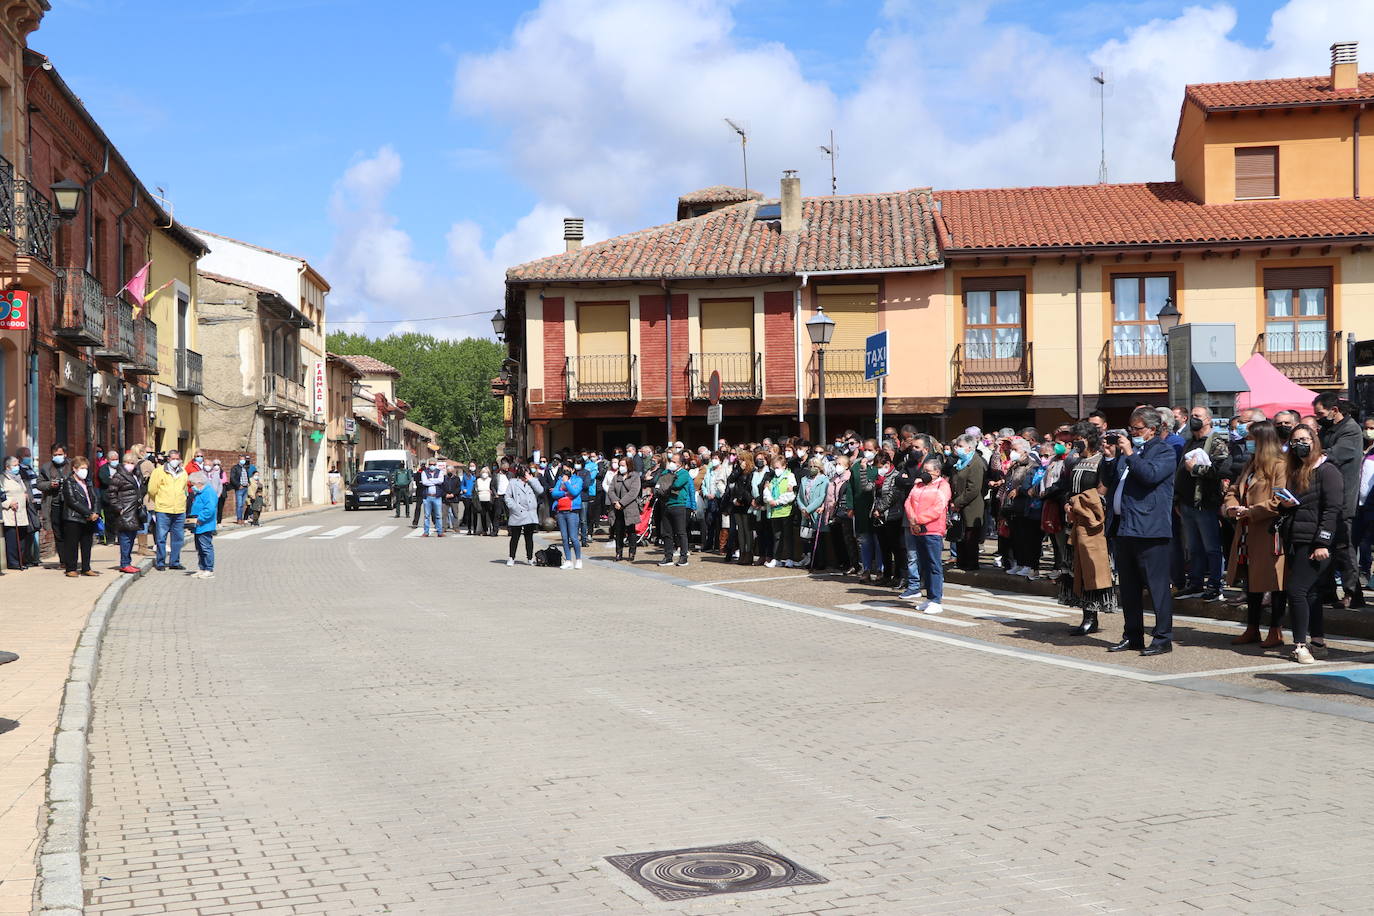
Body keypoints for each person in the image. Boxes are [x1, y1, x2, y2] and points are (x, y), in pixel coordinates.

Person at [1101, 406, 1177, 656]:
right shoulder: (1128, 453)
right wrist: (1111, 457)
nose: (1132, 432)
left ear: (1152, 429)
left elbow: (1149, 476)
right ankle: (1132, 635)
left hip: (1150, 529)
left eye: (1137, 429)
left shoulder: (1164, 450)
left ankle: (1162, 638)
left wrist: (1130, 453)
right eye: (1131, 428)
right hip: (1124, 528)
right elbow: (1109, 481)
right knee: (1129, 588)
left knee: (1157, 588)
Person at [1277, 423, 1343, 664]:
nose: (1300, 444)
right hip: (1296, 537)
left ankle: (1300, 645)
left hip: (1316, 541)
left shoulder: (1327, 470)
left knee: (1297, 590)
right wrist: (1284, 504)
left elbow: (1333, 508)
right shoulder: (1296, 471)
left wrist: (1322, 542)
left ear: (1315, 441)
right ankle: (1318, 640)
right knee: (1311, 592)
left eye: (1304, 439)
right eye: (1295, 441)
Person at [1223, 421, 1288, 648]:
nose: (1247, 443)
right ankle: (1252, 628)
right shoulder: (1251, 464)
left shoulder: (1280, 465)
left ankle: (1275, 630)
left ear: (1263, 441)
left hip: (1269, 531)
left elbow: (1280, 500)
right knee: (1251, 581)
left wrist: (1251, 511)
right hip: (1246, 530)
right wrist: (1232, 506)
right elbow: (1233, 489)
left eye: (1251, 439)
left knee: (1275, 582)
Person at [1175, 406, 1232, 601]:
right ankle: (1195, 583)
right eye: (1191, 416)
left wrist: (1196, 469)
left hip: (1205, 503)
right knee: (1193, 547)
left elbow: (1222, 470)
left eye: (1197, 416)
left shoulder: (1217, 442)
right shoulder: (1189, 441)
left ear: (1208, 420)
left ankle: (1215, 585)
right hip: (1187, 503)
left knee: (1211, 547)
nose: (1193, 419)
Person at [1313, 392, 1365, 608]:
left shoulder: (1351, 430)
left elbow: (1333, 454)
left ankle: (1353, 593)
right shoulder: (1328, 429)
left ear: (1334, 410)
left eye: (1321, 413)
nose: (1318, 417)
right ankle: (1326, 591)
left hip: (1343, 499)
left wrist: (1312, 453)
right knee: (1324, 545)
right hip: (1325, 497)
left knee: (1344, 548)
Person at [900, 456, 950, 612]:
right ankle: (929, 597)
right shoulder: (919, 484)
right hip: (917, 528)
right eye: (924, 470)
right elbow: (909, 501)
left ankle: (936, 599)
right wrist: (913, 520)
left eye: (928, 471)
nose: (925, 474)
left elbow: (939, 506)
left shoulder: (943, 485)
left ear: (937, 471)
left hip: (933, 529)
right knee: (924, 565)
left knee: (934, 564)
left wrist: (920, 519)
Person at [948, 434, 986, 572]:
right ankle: (961, 561)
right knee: (960, 535)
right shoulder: (960, 462)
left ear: (969, 448)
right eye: (956, 446)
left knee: (971, 536)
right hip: (958, 504)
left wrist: (957, 502)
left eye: (960, 446)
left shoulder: (976, 463)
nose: (957, 449)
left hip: (971, 505)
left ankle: (971, 563)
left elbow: (974, 488)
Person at [58, 456, 101, 577]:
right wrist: (88, 513)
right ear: (74, 469)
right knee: (72, 544)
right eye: (82, 468)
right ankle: (71, 568)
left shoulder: (88, 482)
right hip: (74, 518)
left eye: (86, 468)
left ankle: (86, 568)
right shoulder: (69, 482)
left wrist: (96, 512)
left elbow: (95, 497)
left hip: (89, 519)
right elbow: (72, 501)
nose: (84, 471)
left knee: (87, 544)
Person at [146, 450, 189, 571]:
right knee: (161, 537)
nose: (175, 461)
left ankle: (175, 562)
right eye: (173, 458)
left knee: (178, 538)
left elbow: (185, 489)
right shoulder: (158, 472)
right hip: (163, 509)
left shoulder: (183, 472)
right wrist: (160, 500)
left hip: (179, 509)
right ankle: (160, 562)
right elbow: (152, 490)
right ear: (168, 459)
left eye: (177, 458)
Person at [104, 451, 146, 574]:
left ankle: (128, 562)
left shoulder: (136, 475)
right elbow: (111, 493)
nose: (129, 465)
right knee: (125, 539)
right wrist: (119, 508)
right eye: (127, 462)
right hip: (125, 511)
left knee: (132, 538)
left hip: (135, 511)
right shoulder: (119, 476)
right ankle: (124, 563)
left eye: (132, 463)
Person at [656, 452, 693, 567]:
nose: (671, 463)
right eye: (671, 461)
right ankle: (668, 557)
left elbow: (676, 485)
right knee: (667, 533)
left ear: (680, 464)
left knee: (681, 532)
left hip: (678, 505)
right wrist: (665, 483)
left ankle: (683, 557)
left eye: (674, 462)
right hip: (666, 504)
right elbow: (659, 483)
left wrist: (666, 483)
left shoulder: (684, 474)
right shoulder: (666, 472)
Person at [503, 464, 543, 565]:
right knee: (515, 537)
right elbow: (507, 496)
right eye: (525, 474)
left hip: (530, 513)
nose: (527, 476)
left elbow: (540, 490)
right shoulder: (513, 482)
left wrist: (532, 479)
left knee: (529, 537)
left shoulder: (533, 482)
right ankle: (511, 557)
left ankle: (530, 558)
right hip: (518, 513)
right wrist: (514, 507)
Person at [2, 456, 36, 570]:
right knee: (12, 540)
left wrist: (25, 495)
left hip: (22, 512)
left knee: (21, 539)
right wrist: (9, 503)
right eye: (15, 465)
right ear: (7, 467)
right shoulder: (2, 478)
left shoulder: (18, 477)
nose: (17, 467)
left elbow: (23, 490)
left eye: (18, 465)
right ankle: (13, 562)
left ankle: (21, 560)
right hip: (11, 513)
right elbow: (1, 497)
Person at [607, 457, 641, 562]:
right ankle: (618, 552)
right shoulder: (616, 476)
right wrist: (616, 501)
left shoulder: (635, 476)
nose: (620, 467)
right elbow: (611, 490)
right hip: (617, 508)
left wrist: (622, 503)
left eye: (623, 465)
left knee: (631, 531)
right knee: (619, 531)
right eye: (620, 465)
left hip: (629, 507)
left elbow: (633, 492)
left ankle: (632, 552)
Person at [551, 462, 584, 569]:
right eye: (563, 470)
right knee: (564, 538)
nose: (564, 472)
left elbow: (575, 492)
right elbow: (554, 493)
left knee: (573, 537)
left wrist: (567, 484)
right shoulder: (560, 480)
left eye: (567, 470)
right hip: (561, 511)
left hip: (572, 511)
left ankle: (578, 559)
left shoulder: (577, 480)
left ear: (572, 470)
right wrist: (565, 493)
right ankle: (568, 560)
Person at [38, 444, 71, 553]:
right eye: (55, 454)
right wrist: (50, 484)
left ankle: (70, 558)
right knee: (58, 531)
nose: (57, 456)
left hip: (70, 504)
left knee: (69, 531)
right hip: (54, 503)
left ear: (65, 454)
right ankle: (63, 559)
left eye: (60, 454)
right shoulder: (46, 467)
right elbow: (39, 484)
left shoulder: (72, 465)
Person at [186, 471, 218, 579]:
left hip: (205, 525)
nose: (192, 487)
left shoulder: (208, 492)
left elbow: (209, 509)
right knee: (199, 548)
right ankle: (202, 568)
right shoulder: (199, 492)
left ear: (199, 482)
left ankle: (209, 569)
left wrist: (200, 519)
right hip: (198, 525)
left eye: (193, 484)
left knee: (206, 547)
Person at [797, 457, 828, 569]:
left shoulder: (824, 480)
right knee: (808, 539)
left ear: (820, 468)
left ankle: (820, 562)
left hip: (817, 512)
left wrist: (809, 509)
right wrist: (803, 508)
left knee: (819, 539)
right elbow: (799, 496)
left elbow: (822, 497)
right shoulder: (804, 479)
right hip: (806, 513)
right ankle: (811, 560)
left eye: (815, 466)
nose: (812, 468)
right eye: (810, 466)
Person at [418, 459, 446, 537]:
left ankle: (440, 532)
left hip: (437, 497)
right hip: (427, 497)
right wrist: (435, 481)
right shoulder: (424, 472)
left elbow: (441, 481)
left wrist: (430, 480)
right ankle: (426, 532)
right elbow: (424, 482)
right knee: (427, 515)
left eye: (433, 464)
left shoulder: (440, 472)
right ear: (428, 465)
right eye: (430, 464)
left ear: (436, 464)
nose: (432, 466)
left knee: (438, 515)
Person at [228, 454, 255, 524]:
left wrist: (248, 482)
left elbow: (246, 476)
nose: (243, 461)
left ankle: (242, 518)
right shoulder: (235, 468)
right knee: (239, 504)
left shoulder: (245, 468)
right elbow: (232, 478)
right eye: (241, 459)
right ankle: (239, 518)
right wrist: (238, 485)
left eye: (244, 459)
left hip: (245, 488)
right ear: (239, 460)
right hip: (240, 488)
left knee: (243, 504)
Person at [475, 466, 496, 536]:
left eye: (486, 472)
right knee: (483, 515)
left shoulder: (490, 479)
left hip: (489, 498)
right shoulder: (478, 480)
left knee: (490, 514)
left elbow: (492, 488)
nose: (484, 474)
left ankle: (493, 529)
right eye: (483, 472)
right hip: (481, 499)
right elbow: (476, 489)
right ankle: (484, 530)